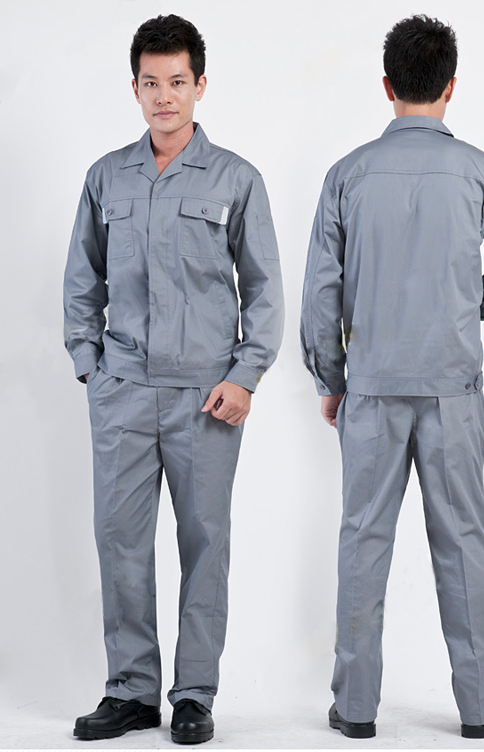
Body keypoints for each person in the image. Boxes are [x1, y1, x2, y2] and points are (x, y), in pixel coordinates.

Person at [300, 13, 484, 741]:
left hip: (371, 386)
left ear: (387, 85)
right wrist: (464, 307)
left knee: (362, 540)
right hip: (452, 387)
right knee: (462, 540)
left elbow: (320, 294)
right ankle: (479, 707)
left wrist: (331, 378)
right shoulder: (481, 171)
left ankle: (356, 709)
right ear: (450, 86)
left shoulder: (347, 175)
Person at [63, 14, 284, 744]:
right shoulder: (106, 177)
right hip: (123, 391)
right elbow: (82, 281)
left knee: (204, 545)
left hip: (206, 397)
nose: (164, 97)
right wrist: (91, 368)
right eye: (151, 83)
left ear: (200, 85)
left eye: (177, 82)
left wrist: (245, 376)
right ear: (134, 88)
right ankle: (131, 691)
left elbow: (265, 290)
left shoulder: (237, 179)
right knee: (120, 543)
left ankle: (193, 694)